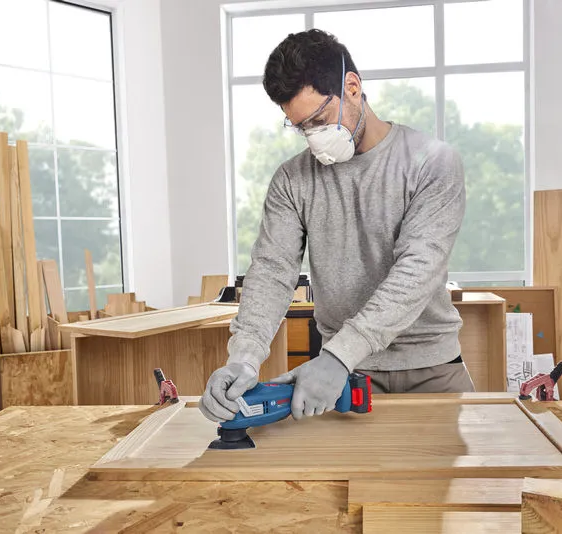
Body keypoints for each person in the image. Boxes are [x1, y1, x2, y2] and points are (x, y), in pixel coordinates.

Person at [200, 29, 473, 424]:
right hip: (340, 380)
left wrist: (337, 356)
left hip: (431, 371)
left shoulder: (432, 162)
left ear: (352, 87)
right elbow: (272, 272)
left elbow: (417, 270)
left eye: (319, 119)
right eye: (300, 127)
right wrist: (244, 357)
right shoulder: (292, 180)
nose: (313, 138)